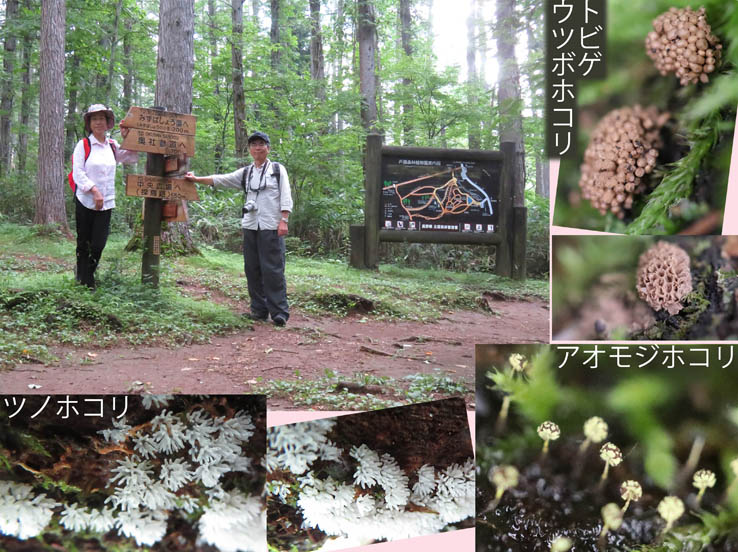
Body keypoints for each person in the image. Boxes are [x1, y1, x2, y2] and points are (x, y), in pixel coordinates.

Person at [185, 131, 293, 326]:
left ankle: (279, 312)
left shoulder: (277, 170)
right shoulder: (246, 172)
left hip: (271, 225)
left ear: (268, 147)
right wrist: (197, 179)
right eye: (253, 145)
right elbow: (222, 179)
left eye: (261, 144)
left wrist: (284, 219)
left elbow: (285, 194)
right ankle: (259, 310)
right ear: (249, 149)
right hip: (251, 225)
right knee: (252, 269)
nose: (257, 148)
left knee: (273, 270)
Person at [72, 104, 139, 289]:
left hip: (106, 203)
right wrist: (94, 191)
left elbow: (131, 158)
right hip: (85, 200)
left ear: (108, 122)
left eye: (102, 118)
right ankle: (85, 279)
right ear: (89, 123)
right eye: (94, 119)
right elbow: (78, 172)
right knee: (83, 241)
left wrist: (128, 138)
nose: (98, 122)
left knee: (98, 244)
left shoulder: (111, 145)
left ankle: (88, 274)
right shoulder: (83, 145)